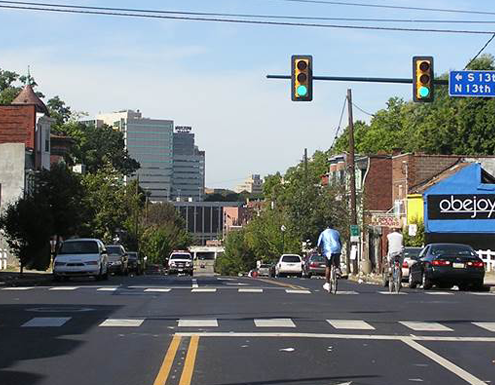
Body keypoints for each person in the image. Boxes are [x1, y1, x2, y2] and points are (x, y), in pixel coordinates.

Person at [317, 223, 342, 292]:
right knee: (336, 260)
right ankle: (337, 269)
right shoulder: (337, 232)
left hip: (327, 251)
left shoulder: (323, 233)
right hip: (337, 249)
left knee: (328, 267)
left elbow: (319, 244)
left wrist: (319, 252)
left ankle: (327, 283)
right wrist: (339, 250)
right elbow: (340, 242)